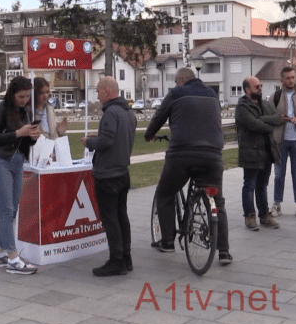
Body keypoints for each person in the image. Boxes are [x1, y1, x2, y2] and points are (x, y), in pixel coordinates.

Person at [144, 67, 233, 264]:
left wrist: (149, 133)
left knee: (165, 193)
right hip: (212, 155)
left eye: (176, 81)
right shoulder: (212, 95)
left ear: (182, 79)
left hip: (182, 155)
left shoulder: (176, 93)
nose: (175, 85)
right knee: (217, 201)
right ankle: (224, 251)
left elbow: (159, 116)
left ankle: (167, 241)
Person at [0, 76, 41, 275]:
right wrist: (18, 133)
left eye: (27, 96)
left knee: (12, 209)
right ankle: (13, 257)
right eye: (20, 96)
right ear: (12, 93)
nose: (24, 100)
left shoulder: (26, 111)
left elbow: (25, 142)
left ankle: (0, 252)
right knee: (6, 209)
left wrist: (32, 137)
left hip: (17, 161)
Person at [81, 77, 137, 277]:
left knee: (110, 218)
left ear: (106, 92)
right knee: (122, 216)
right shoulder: (128, 113)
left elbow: (106, 142)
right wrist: (101, 139)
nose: (97, 96)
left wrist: (89, 142)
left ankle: (116, 261)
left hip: (107, 175)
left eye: (97, 92)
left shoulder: (111, 113)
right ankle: (126, 257)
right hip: (122, 172)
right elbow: (116, 139)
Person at [235, 75, 283, 230]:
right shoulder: (242, 107)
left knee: (262, 185)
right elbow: (254, 125)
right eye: (257, 87)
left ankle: (264, 215)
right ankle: (249, 217)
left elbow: (278, 118)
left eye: (260, 86)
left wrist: (263, 119)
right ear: (247, 89)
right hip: (251, 152)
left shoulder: (265, 104)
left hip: (267, 151)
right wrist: (267, 124)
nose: (260, 88)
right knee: (249, 185)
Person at [269, 66, 296, 219]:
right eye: (287, 78)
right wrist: (278, 119)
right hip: (280, 141)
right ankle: (277, 204)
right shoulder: (275, 96)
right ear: (281, 80)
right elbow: (268, 117)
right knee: (278, 175)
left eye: (293, 77)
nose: (291, 80)